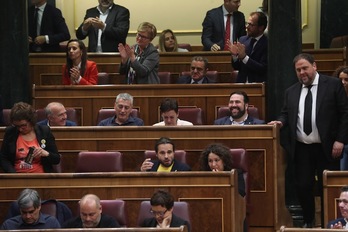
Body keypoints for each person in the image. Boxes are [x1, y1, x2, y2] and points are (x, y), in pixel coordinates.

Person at [268, 53, 348, 228]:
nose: (302, 72)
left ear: (314, 66)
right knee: (303, 186)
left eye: (305, 68)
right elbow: (286, 113)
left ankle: (331, 223)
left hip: (328, 147)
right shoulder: (291, 91)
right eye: (298, 70)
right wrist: (280, 121)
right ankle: (308, 221)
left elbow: (345, 114)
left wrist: (341, 140)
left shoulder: (333, 85)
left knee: (327, 187)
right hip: (302, 148)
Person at [0, 102, 61, 173]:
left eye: (23, 125)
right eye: (17, 126)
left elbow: (56, 159)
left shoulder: (44, 131)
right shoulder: (10, 132)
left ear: (31, 121)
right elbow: (3, 158)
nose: (20, 129)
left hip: (41, 178)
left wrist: (45, 153)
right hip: (16, 178)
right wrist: (12, 173)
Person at [227, 11, 268, 83]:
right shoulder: (242, 40)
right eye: (247, 23)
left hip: (258, 86)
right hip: (242, 83)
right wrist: (234, 56)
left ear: (261, 28)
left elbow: (262, 68)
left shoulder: (267, 43)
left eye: (251, 25)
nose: (247, 27)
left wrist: (244, 57)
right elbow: (237, 67)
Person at [333, 66, 348, 170]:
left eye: (346, 79)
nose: (343, 82)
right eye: (340, 79)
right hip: (339, 141)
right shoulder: (333, 96)